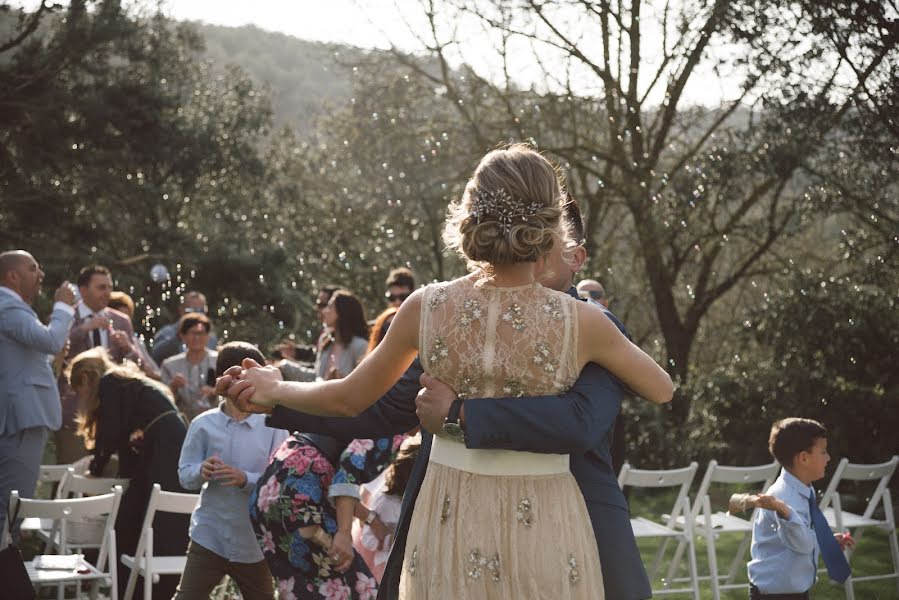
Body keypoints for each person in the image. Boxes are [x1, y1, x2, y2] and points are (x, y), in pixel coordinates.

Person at [230, 144, 673, 598]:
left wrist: (275, 386)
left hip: (448, 513)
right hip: (545, 515)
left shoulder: (425, 306)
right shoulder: (585, 323)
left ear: (470, 212)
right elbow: (661, 388)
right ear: (551, 224)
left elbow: (349, 396)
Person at [67, 347, 189, 600]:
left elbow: (110, 432)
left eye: (81, 389)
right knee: (145, 510)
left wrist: (96, 469)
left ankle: (146, 588)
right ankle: (134, 586)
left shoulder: (111, 383)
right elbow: (124, 433)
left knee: (156, 514)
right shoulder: (127, 383)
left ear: (88, 378)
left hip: (166, 444)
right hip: (168, 440)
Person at [173, 342, 287, 600]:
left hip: (253, 542)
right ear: (222, 380)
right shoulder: (203, 424)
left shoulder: (273, 426)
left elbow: (279, 482)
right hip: (209, 535)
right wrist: (201, 471)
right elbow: (184, 475)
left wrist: (245, 479)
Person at [0, 250, 76, 528]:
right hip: (23, 419)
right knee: (13, 506)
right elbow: (52, 339)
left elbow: (17, 365)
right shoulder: (7, 306)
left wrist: (50, 361)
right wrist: (64, 307)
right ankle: (8, 568)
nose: (41, 274)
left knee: (10, 504)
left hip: (22, 416)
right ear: (12, 276)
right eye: (33, 268)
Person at [746, 418, 854, 599]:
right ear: (804, 458)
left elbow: (801, 535)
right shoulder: (783, 497)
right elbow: (802, 543)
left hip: (793, 589)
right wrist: (784, 510)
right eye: (823, 452)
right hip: (774, 594)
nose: (828, 458)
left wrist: (825, 541)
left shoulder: (803, 489)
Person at [56, 264, 138, 464]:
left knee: (108, 474)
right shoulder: (65, 318)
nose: (108, 292)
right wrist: (84, 329)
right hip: (74, 410)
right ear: (83, 290)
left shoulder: (121, 321)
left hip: (111, 411)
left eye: (109, 287)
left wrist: (128, 348)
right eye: (101, 287)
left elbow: (136, 364)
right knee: (70, 471)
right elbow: (54, 347)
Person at [353, 436, 420, 582]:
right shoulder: (386, 502)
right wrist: (389, 541)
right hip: (387, 566)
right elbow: (368, 538)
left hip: (410, 565)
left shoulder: (419, 503)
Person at [160, 313, 219, 421]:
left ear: (208, 336)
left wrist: (214, 392)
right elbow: (162, 401)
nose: (197, 338)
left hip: (215, 421)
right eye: (192, 333)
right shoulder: (170, 365)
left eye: (201, 333)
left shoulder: (219, 361)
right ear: (182, 336)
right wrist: (173, 386)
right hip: (182, 423)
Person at [151, 291, 218, 364]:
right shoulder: (167, 332)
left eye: (201, 311)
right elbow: (155, 356)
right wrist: (177, 337)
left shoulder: (210, 337)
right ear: (181, 310)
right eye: (191, 310)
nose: (196, 315)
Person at [315, 289, 369, 380]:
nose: (324, 311)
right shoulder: (325, 341)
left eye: (330, 306)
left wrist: (341, 381)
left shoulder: (360, 346)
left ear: (342, 312)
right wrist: (287, 366)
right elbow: (316, 377)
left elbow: (364, 384)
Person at [108, 290, 160, 379]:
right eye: (119, 317)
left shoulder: (135, 342)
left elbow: (153, 370)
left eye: (126, 317)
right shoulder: (102, 337)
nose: (123, 322)